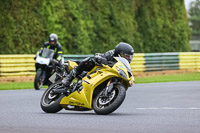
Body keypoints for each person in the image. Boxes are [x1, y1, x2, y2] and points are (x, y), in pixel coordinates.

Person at [62, 42, 134, 87]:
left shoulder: (123, 64)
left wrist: (131, 79)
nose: (128, 59)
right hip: (96, 71)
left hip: (107, 75)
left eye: (130, 57)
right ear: (120, 53)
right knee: (88, 61)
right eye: (127, 56)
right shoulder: (111, 54)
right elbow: (99, 55)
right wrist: (101, 59)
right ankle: (69, 78)